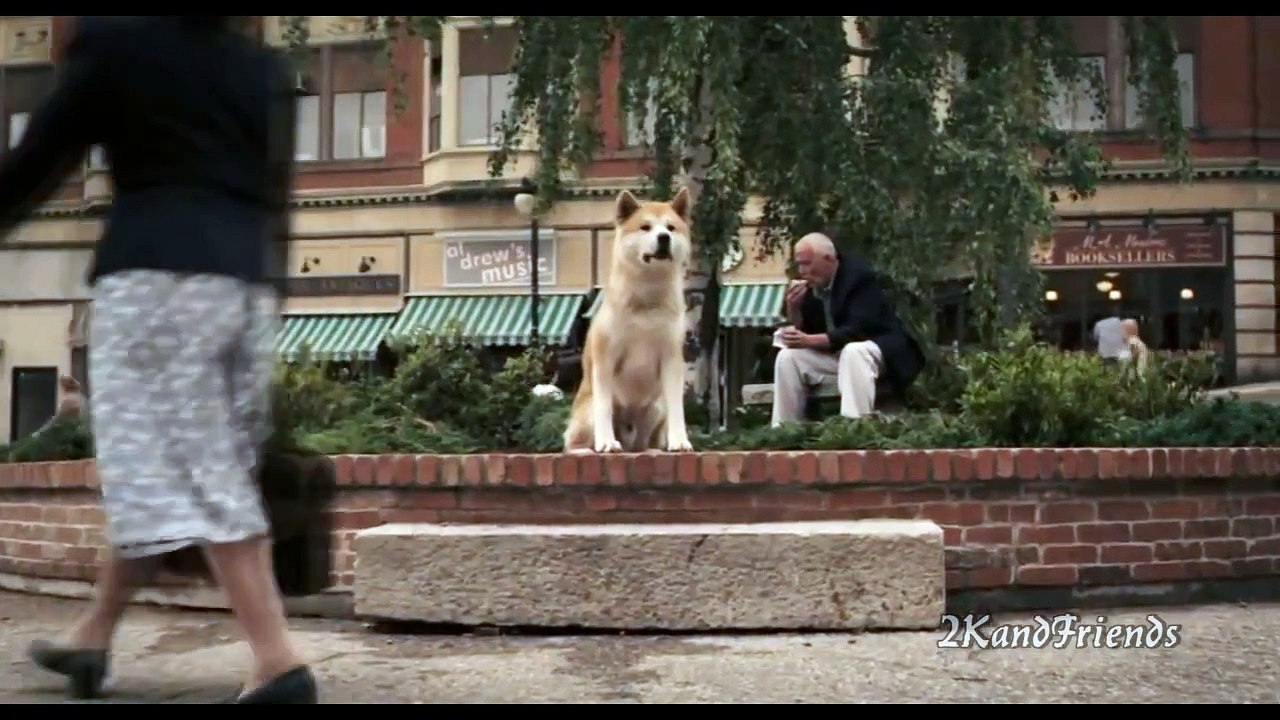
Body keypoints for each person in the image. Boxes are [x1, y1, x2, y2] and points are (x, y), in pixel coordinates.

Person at [0, 17, 314, 703]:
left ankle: (276, 658)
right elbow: (275, 193)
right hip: (245, 283)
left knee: (192, 469)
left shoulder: (117, 44)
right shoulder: (255, 67)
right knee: (163, 464)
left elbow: (40, 157)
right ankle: (92, 638)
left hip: (156, 280)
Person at [771, 231, 926, 426]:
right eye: (799, 263)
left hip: (877, 354)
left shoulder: (859, 278)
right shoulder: (812, 286)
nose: (802, 271)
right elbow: (806, 331)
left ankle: (853, 428)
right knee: (788, 357)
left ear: (829, 259)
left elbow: (858, 330)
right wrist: (793, 308)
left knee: (853, 351)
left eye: (807, 263)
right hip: (837, 357)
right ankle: (784, 430)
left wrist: (809, 340)